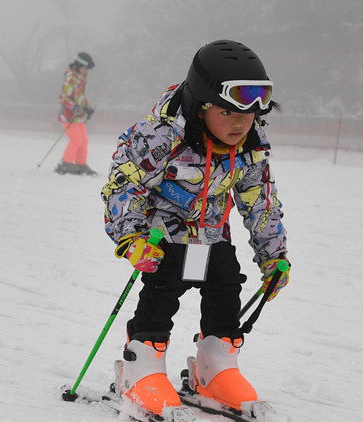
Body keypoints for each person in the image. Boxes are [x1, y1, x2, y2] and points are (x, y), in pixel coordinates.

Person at [101, 40, 290, 419]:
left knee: (226, 287)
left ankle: (216, 367)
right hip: (162, 238)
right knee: (162, 293)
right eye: (228, 112)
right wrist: (131, 238)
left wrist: (274, 257)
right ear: (203, 106)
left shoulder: (251, 145)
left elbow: (259, 201)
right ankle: (141, 368)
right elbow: (123, 186)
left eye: (249, 115)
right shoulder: (159, 137)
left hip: (213, 235)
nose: (240, 123)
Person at [55, 52, 96, 175]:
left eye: (87, 69)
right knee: (76, 140)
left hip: (79, 116)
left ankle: (80, 164)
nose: (86, 71)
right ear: (78, 66)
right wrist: (75, 108)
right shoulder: (70, 78)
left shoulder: (81, 78)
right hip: (68, 116)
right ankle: (65, 164)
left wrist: (87, 107)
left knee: (84, 140)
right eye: (84, 68)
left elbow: (80, 96)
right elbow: (64, 98)